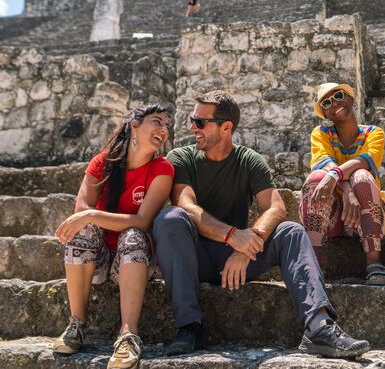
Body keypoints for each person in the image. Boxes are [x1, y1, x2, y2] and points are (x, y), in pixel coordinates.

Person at [153, 90, 370, 358]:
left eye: (199, 122)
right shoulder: (181, 157)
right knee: (170, 219)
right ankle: (189, 327)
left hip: (237, 259)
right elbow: (185, 205)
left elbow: (276, 207)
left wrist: (246, 247)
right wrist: (233, 235)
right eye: (191, 119)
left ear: (226, 127)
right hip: (194, 255)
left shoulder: (248, 160)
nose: (191, 127)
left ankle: (319, 327)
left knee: (291, 231)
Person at [52, 104, 175, 369]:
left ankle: (128, 335)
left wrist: (92, 216)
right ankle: (77, 325)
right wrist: (89, 217)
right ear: (134, 125)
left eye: (167, 125)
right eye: (157, 122)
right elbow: (80, 212)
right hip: (97, 260)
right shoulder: (103, 162)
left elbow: (142, 222)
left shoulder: (163, 170)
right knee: (82, 228)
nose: (163, 130)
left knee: (132, 235)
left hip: (133, 261)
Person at [300, 83, 385, 286]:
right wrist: (346, 188)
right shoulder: (321, 134)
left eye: (339, 96)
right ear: (325, 113)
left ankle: (374, 261)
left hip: (365, 217)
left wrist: (338, 176)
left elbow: (366, 161)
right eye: (327, 102)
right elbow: (323, 163)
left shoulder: (374, 133)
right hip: (332, 219)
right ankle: (314, 264)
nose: (335, 103)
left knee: (361, 176)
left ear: (352, 99)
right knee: (316, 180)